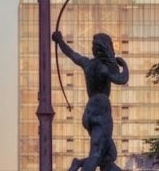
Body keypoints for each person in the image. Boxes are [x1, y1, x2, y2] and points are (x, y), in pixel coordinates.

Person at [52, 31, 129, 171]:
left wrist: (60, 41)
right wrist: (124, 66)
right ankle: (80, 165)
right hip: (101, 109)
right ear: (107, 48)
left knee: (109, 155)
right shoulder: (104, 68)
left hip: (90, 111)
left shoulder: (86, 63)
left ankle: (79, 163)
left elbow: (71, 54)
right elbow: (122, 79)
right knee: (96, 154)